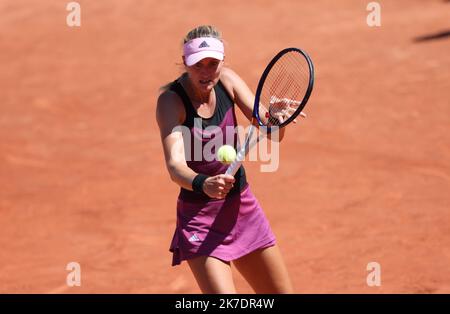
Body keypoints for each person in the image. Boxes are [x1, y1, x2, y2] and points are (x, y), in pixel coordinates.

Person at [156, 25, 294, 294]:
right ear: (185, 62)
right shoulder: (170, 102)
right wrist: (203, 183)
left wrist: (276, 119)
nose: (206, 72)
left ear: (222, 62)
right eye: (198, 65)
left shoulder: (228, 81)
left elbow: (273, 133)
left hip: (242, 209)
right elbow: (175, 167)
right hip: (200, 218)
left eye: (213, 64)